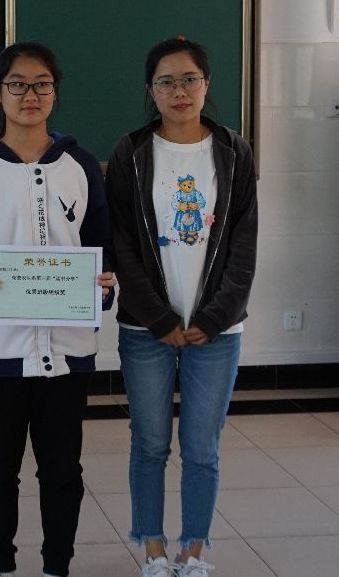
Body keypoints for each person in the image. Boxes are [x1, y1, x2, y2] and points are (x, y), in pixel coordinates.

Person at [0, 41, 115, 577]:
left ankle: (57, 565)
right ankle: (2, 566)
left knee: (62, 470)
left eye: (41, 84)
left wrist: (103, 287)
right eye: (17, 84)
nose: (29, 94)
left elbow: (103, 248)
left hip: (68, 352)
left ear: (55, 93)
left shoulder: (81, 166)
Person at [106, 36, 258, 577]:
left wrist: (214, 318)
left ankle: (193, 552)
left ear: (206, 84)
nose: (179, 91)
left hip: (217, 332)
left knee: (201, 448)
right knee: (149, 444)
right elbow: (122, 243)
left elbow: (244, 244)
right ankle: (152, 548)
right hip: (146, 330)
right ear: (151, 90)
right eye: (166, 82)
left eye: (189, 79)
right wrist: (160, 317)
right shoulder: (131, 152)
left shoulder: (234, 152)